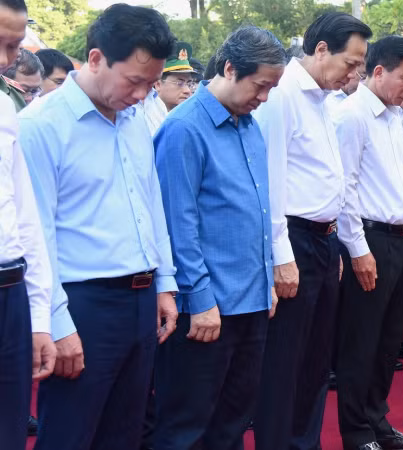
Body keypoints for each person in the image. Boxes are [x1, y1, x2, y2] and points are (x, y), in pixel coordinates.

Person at [19, 5, 179, 449]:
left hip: (140, 298)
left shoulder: (134, 120)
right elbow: (37, 234)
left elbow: (152, 206)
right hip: (83, 303)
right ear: (95, 59)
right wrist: (55, 321)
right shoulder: (40, 126)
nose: (144, 93)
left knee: (125, 433)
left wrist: (164, 283)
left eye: (152, 83)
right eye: (134, 80)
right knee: (71, 433)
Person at [151, 26, 284, 450]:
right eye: (260, 86)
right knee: (187, 425)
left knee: (232, 420)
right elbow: (178, 222)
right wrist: (200, 297)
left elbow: (257, 209)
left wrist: (267, 282)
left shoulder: (250, 126)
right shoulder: (184, 128)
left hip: (252, 299)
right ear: (229, 68)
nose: (264, 98)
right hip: (206, 307)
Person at [252, 12, 372, 450]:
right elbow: (272, 181)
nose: (355, 73)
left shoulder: (325, 100)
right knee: (285, 362)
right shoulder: (282, 95)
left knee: (317, 359)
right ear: (321, 49)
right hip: (294, 242)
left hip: (324, 240)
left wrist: (340, 243)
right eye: (351, 62)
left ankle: (306, 442)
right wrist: (282, 257)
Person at [333, 35, 403, 450]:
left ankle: (378, 421)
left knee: (389, 342)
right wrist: (358, 250)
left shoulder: (392, 117)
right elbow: (345, 188)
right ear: (377, 71)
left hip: (399, 240)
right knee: (362, 342)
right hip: (369, 240)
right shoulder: (352, 115)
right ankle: (356, 432)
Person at [0, 2, 57, 449]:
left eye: (14, 47)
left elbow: (25, 219)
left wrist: (39, 316)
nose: (5, 59)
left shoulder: (5, 108)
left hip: (11, 293)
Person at [142, 42, 199, 136]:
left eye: (189, 83)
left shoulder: (191, 115)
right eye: (180, 83)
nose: (187, 90)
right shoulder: (143, 114)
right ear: (158, 84)